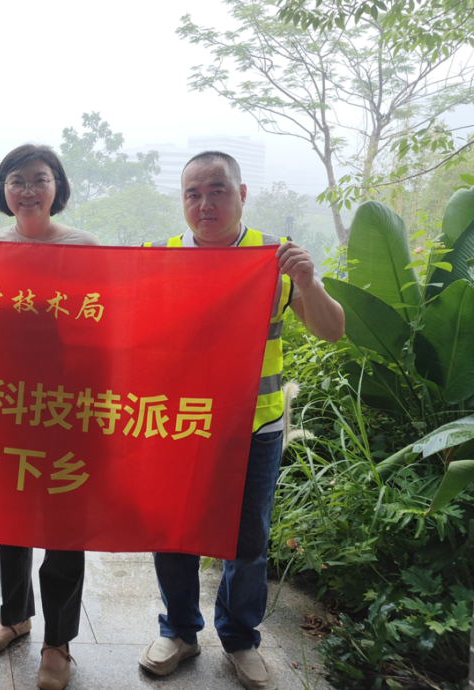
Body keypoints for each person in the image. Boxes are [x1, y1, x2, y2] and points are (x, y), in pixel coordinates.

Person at [138, 151, 344, 690]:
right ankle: (179, 631)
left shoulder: (275, 259)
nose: (205, 204)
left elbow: (331, 330)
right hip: (179, 423)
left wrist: (310, 282)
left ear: (242, 193)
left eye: (217, 190)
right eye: (193, 193)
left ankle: (239, 638)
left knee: (249, 541)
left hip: (257, 426)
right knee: (174, 534)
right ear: (182, 200)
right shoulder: (158, 258)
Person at [0, 143, 98, 690]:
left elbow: (108, 323)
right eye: (16, 180)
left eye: (39, 179)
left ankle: (58, 641)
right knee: (12, 513)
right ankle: (15, 616)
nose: (27, 190)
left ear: (57, 188)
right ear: (3, 190)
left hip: (69, 403)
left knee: (64, 519)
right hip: (7, 400)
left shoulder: (84, 247)